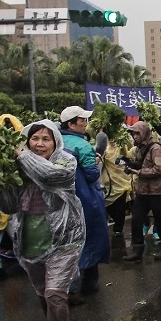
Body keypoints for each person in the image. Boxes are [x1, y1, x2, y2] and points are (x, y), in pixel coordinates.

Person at [9, 120, 85, 321]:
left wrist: (22, 156)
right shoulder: (17, 165)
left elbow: (51, 175)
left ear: (55, 141)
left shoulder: (66, 161)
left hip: (66, 237)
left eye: (46, 139)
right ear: (27, 140)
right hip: (32, 236)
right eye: (34, 139)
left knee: (55, 294)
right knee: (43, 291)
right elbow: (7, 204)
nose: (40, 144)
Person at [60, 106, 110, 295]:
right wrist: (97, 158)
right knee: (91, 238)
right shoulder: (83, 146)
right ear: (71, 124)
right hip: (85, 199)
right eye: (82, 120)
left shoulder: (55, 142)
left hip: (62, 200)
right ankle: (89, 283)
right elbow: (91, 175)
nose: (85, 124)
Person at [121, 121, 161, 262]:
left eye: (137, 133)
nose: (134, 136)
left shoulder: (155, 148)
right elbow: (141, 163)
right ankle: (137, 250)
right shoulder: (139, 149)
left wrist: (139, 171)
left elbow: (159, 169)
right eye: (133, 133)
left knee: (160, 220)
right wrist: (130, 164)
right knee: (136, 219)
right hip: (143, 191)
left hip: (156, 191)